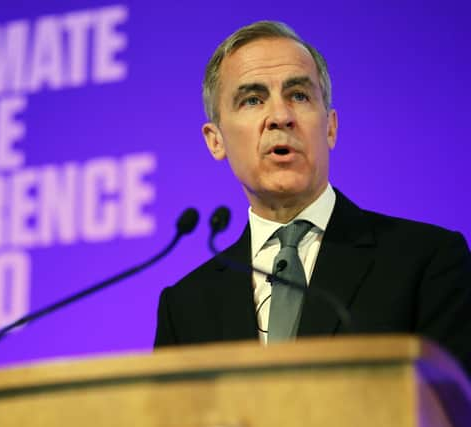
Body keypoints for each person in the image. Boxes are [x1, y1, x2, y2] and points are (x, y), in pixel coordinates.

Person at [153, 20, 471, 375]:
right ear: (216, 140)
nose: (280, 116)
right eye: (253, 99)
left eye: (299, 96)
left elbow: (451, 408)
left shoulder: (426, 261)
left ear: (330, 126)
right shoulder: (184, 306)